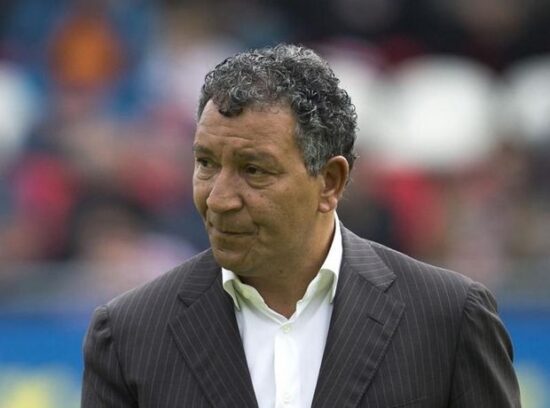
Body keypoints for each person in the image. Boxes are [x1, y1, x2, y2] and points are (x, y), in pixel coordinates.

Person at [81, 44, 521, 407]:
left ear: (330, 182)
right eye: (206, 163)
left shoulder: (449, 317)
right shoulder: (127, 335)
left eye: (254, 170)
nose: (218, 198)